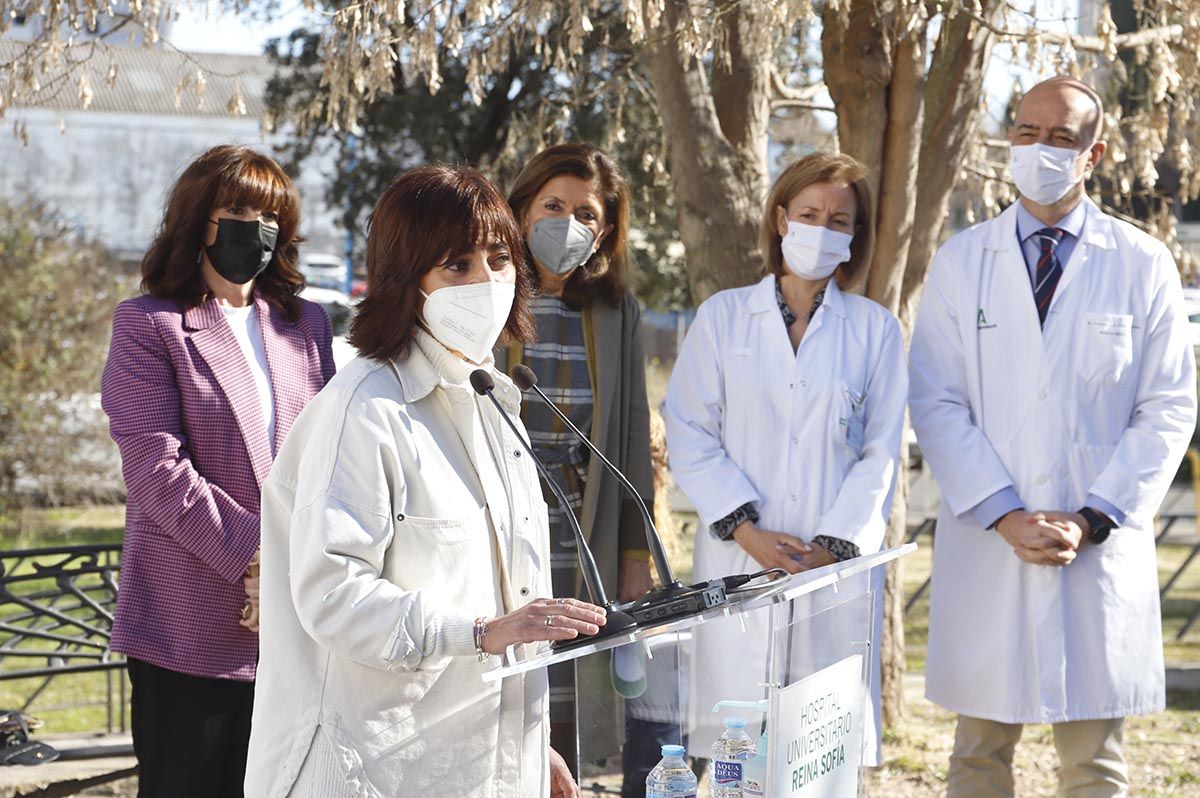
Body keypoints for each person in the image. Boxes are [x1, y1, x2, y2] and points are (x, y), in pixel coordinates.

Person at [244, 164, 606, 798]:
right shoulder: (363, 407)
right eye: (456, 266)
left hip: (481, 766)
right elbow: (332, 593)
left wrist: (529, 743)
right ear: (406, 279)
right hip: (373, 766)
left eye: (498, 260)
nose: (486, 283)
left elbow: (510, 595)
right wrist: (473, 633)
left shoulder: (496, 399)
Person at [909, 76, 1197, 797]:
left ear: (1093, 154)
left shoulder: (1141, 263)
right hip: (989, 540)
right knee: (977, 753)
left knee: (1094, 762)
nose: (1041, 148)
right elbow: (937, 401)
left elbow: (1167, 406)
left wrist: (1092, 517)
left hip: (1095, 546)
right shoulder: (961, 261)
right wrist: (1005, 513)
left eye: (1062, 137)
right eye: (1028, 132)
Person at [100, 145, 337, 797]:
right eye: (236, 210)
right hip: (191, 630)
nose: (254, 229)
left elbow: (329, 457)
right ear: (197, 217)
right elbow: (157, 470)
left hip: (298, 630)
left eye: (270, 215)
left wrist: (298, 566)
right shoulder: (150, 325)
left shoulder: (306, 325)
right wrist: (260, 560)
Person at [664, 152, 907, 761]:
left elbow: (881, 452)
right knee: (735, 749)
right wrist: (746, 532)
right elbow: (690, 430)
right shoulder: (723, 318)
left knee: (818, 754)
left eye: (839, 220)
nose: (822, 229)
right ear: (780, 218)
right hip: (740, 558)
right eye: (809, 213)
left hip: (832, 574)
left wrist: (834, 545)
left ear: (855, 236)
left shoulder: (876, 330)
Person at [499, 143, 656, 779]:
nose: (569, 223)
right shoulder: (486, 295)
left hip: (582, 529)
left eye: (586, 214)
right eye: (553, 206)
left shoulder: (617, 314)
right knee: (506, 692)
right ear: (521, 210)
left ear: (607, 231)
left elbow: (631, 438)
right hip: (504, 523)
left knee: (568, 699)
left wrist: (633, 555)